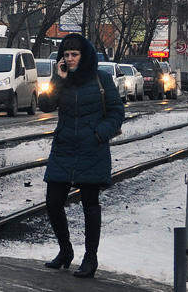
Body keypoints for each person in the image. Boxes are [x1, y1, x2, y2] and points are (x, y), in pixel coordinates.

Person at [37, 32, 124, 279]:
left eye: (74, 54)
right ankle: (65, 252)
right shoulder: (62, 79)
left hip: (91, 151)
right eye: (66, 55)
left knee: (90, 207)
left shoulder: (102, 79)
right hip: (64, 150)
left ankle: (90, 259)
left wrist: (98, 134)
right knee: (53, 203)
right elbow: (45, 105)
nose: (70, 59)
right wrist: (57, 79)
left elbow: (117, 113)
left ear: (83, 54)